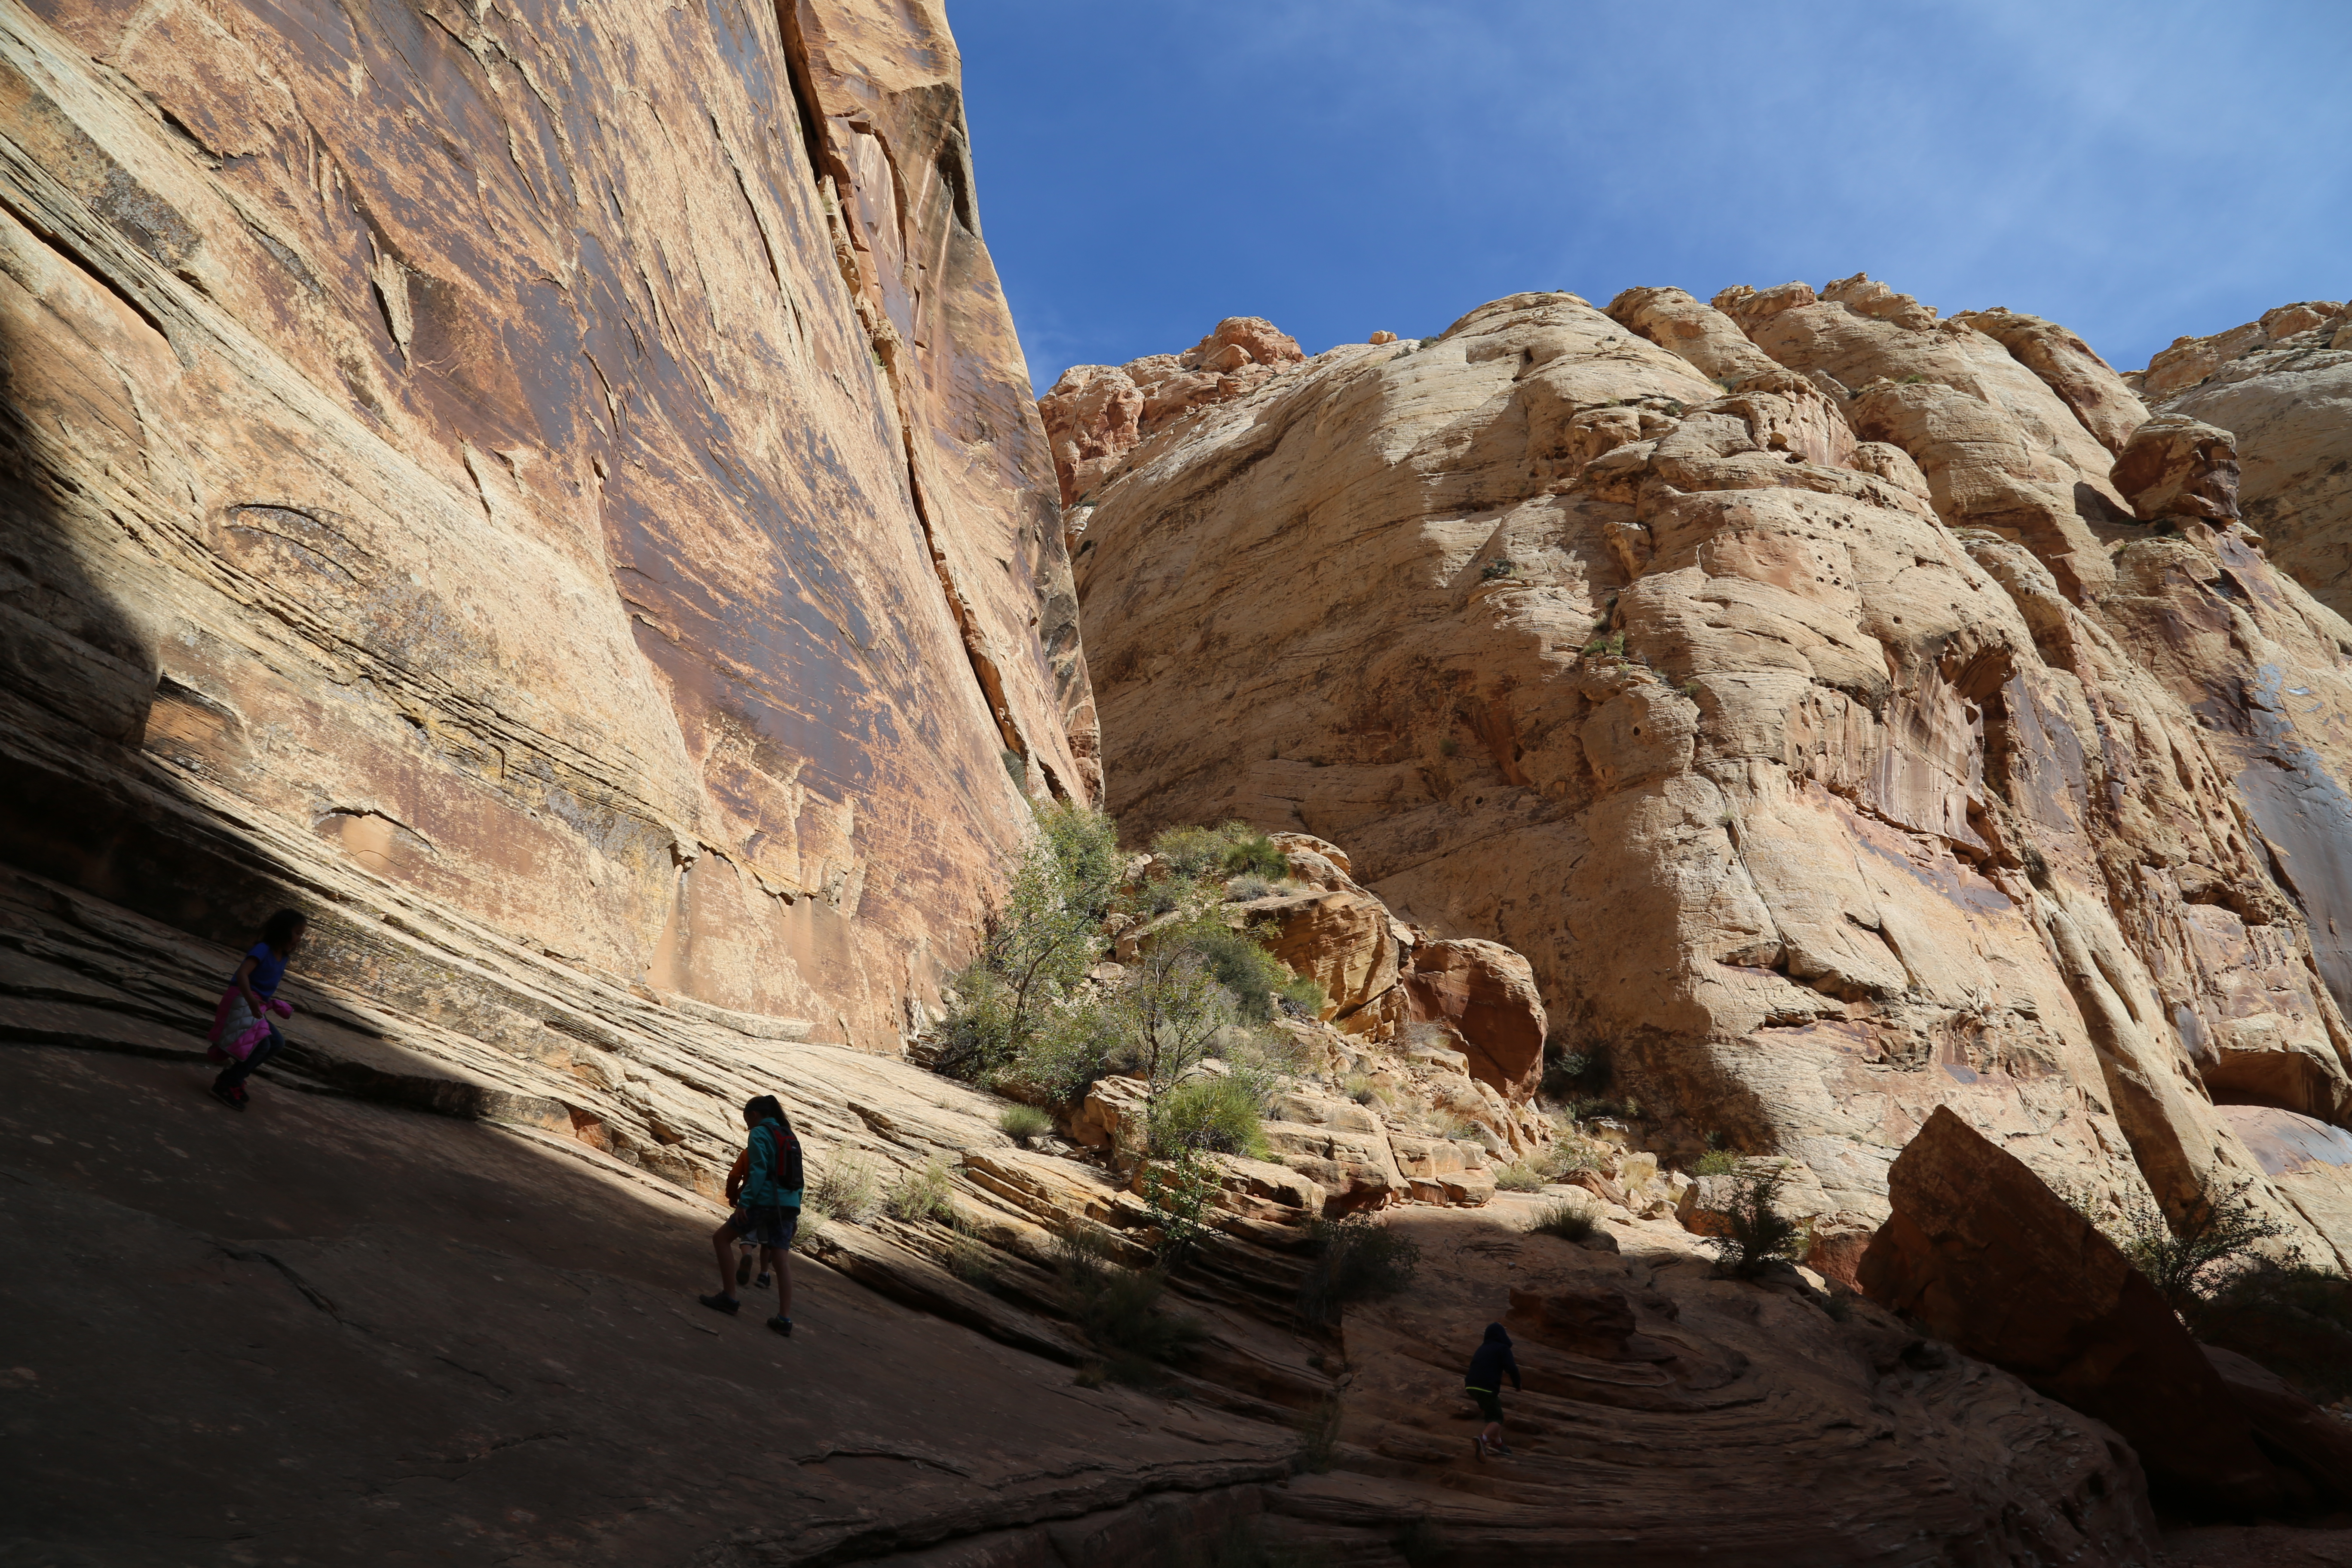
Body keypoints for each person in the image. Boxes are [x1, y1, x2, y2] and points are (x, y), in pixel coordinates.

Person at [700, 1095, 802, 1335]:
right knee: (781, 1260)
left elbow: (758, 1170)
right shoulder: (789, 1135)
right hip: (788, 1205)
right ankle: (784, 1319)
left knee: (721, 1239)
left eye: (746, 1118)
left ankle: (729, 1298)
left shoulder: (759, 1133)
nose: (746, 1123)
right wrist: (795, 1209)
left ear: (754, 1115)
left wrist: (745, 1203)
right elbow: (798, 1176)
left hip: (764, 1200)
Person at [208, 909, 306, 1111]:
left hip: (255, 1004)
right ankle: (227, 1084)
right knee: (262, 1045)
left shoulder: (283, 957)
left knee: (276, 1043)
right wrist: (251, 1000)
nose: (300, 938)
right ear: (283, 931)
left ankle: (233, 1077)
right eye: (297, 933)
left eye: (301, 934)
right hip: (241, 1001)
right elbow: (243, 974)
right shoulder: (263, 950)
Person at [1464, 1321, 1520, 1458]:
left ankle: (1498, 1443)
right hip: (1487, 1387)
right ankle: (1482, 1439)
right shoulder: (1502, 1348)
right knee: (1498, 1418)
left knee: (1493, 1412)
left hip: (1471, 1386)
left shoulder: (1482, 1348)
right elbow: (1512, 1368)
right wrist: (1518, 1384)